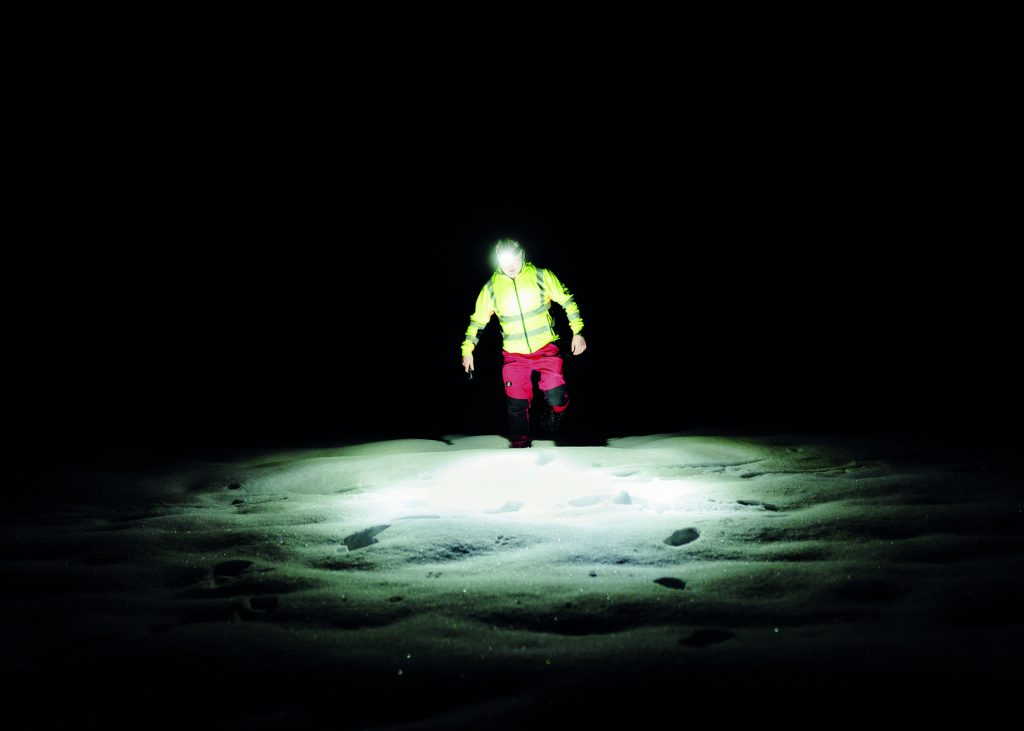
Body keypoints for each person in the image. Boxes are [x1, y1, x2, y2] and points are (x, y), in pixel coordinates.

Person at [461, 239, 587, 447]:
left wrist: (578, 332)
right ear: (498, 259)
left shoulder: (541, 276)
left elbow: (568, 301)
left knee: (557, 397)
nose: (511, 265)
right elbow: (478, 320)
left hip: (547, 349)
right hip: (514, 356)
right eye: (505, 259)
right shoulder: (492, 287)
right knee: (516, 406)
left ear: (522, 255)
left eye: (515, 258)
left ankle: (557, 415)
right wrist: (468, 350)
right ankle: (519, 448)